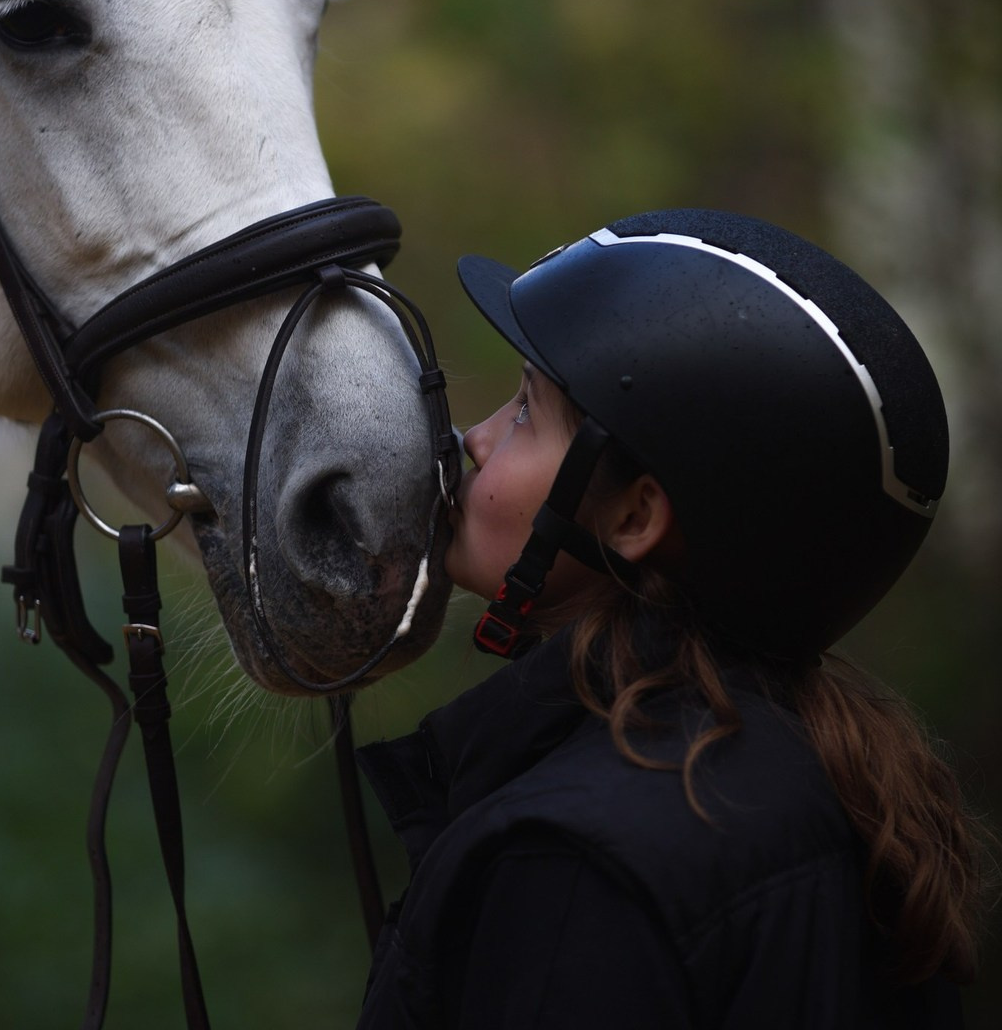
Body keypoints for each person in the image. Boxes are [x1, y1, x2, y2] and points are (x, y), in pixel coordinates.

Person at [355, 208, 992, 1029]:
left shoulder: (578, 862)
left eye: (523, 412)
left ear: (632, 520)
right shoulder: (837, 790)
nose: (475, 439)